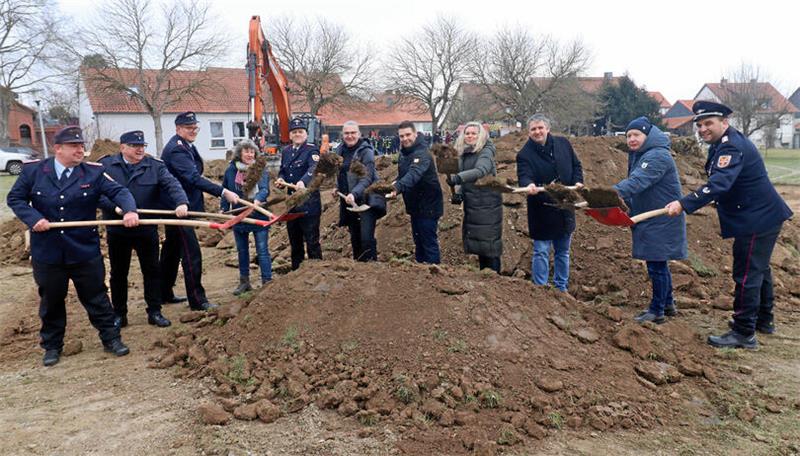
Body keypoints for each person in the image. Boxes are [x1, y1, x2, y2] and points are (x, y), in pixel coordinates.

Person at [666, 101, 793, 349]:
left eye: (708, 123)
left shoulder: (731, 147)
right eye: (699, 125)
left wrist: (684, 203)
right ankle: (763, 321)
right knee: (759, 269)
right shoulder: (724, 144)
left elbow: (718, 184)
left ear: (724, 122)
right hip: (761, 214)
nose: (702, 129)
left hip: (757, 218)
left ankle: (744, 333)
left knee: (746, 272)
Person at [7, 126, 138, 366]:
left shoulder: (93, 173)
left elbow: (119, 191)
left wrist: (129, 210)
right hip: (48, 252)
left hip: (83, 250)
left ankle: (111, 339)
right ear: (58, 149)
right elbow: (15, 198)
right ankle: (52, 346)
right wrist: (34, 219)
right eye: (74, 146)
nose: (81, 150)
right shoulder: (34, 172)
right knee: (51, 300)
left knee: (96, 297)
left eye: (81, 145)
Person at [99, 130, 189, 329]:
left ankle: (154, 311)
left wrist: (181, 202)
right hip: (118, 229)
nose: (140, 149)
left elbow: (171, 184)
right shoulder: (106, 166)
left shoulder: (154, 166)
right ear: (122, 147)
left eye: (142, 146)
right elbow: (97, 193)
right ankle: (119, 314)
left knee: (151, 270)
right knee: (118, 273)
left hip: (146, 228)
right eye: (134, 146)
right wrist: (115, 208)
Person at [160, 111, 239, 311]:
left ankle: (163, 292)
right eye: (188, 128)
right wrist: (223, 192)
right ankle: (197, 300)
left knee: (172, 251)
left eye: (195, 127)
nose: (193, 131)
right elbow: (193, 178)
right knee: (190, 253)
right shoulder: (177, 150)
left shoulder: (185, 146)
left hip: (181, 207)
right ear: (178, 129)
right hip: (177, 209)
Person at [612, 117, 687, 324]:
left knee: (656, 264)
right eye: (628, 136)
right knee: (658, 262)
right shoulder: (641, 154)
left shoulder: (656, 156)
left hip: (662, 217)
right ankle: (668, 303)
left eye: (636, 135)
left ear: (647, 135)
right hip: (652, 216)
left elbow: (637, 182)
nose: (631, 139)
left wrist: (610, 193)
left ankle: (657, 310)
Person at [516, 113, 584, 292]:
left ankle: (561, 288)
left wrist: (577, 182)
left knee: (563, 252)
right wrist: (528, 185)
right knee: (541, 251)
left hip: (564, 206)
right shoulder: (524, 154)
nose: (537, 132)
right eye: (533, 129)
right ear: (528, 132)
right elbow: (524, 174)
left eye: (540, 128)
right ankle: (541, 290)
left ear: (547, 129)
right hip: (542, 209)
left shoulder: (563, 144)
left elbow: (576, 165)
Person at [446, 121, 503, 273]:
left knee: (490, 248)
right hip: (473, 204)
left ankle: (496, 280)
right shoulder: (465, 153)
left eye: (473, 133)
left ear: (480, 135)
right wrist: (458, 193)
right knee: (481, 247)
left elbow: (481, 170)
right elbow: (467, 180)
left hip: (487, 205)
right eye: (467, 133)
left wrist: (458, 178)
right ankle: (486, 277)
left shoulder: (486, 150)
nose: (470, 136)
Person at [388, 120, 444, 264]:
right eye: (401, 136)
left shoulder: (423, 153)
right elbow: (404, 176)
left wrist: (398, 187)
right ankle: (421, 276)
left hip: (428, 206)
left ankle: (434, 275)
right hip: (415, 207)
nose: (405, 139)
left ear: (415, 134)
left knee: (428, 243)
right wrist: (394, 184)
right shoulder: (404, 154)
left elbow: (414, 174)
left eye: (408, 135)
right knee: (418, 243)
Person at [221, 139, 273, 294]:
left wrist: (258, 199)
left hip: (258, 215)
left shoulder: (260, 168)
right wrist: (223, 208)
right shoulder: (231, 170)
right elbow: (225, 191)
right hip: (239, 215)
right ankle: (244, 282)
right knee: (242, 251)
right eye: (246, 151)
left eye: (252, 152)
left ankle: (267, 282)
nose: (250, 155)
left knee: (262, 250)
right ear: (240, 153)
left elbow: (265, 189)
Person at [331, 121, 386, 261]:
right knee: (355, 237)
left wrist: (354, 193)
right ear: (342, 135)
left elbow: (367, 178)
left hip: (366, 200)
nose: (350, 136)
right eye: (347, 133)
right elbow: (341, 173)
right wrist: (337, 187)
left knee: (366, 238)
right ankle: (358, 272)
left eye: (353, 133)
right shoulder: (339, 151)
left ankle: (371, 268)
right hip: (349, 202)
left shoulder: (366, 151)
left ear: (359, 134)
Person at [275, 117, 322, 270]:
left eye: (300, 131)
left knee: (312, 241)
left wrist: (303, 182)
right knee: (295, 242)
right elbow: (283, 170)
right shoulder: (286, 151)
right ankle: (296, 273)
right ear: (290, 135)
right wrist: (281, 179)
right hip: (293, 205)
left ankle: (317, 272)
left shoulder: (311, 150)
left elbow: (313, 168)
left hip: (309, 204)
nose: (297, 134)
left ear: (306, 134)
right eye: (294, 132)